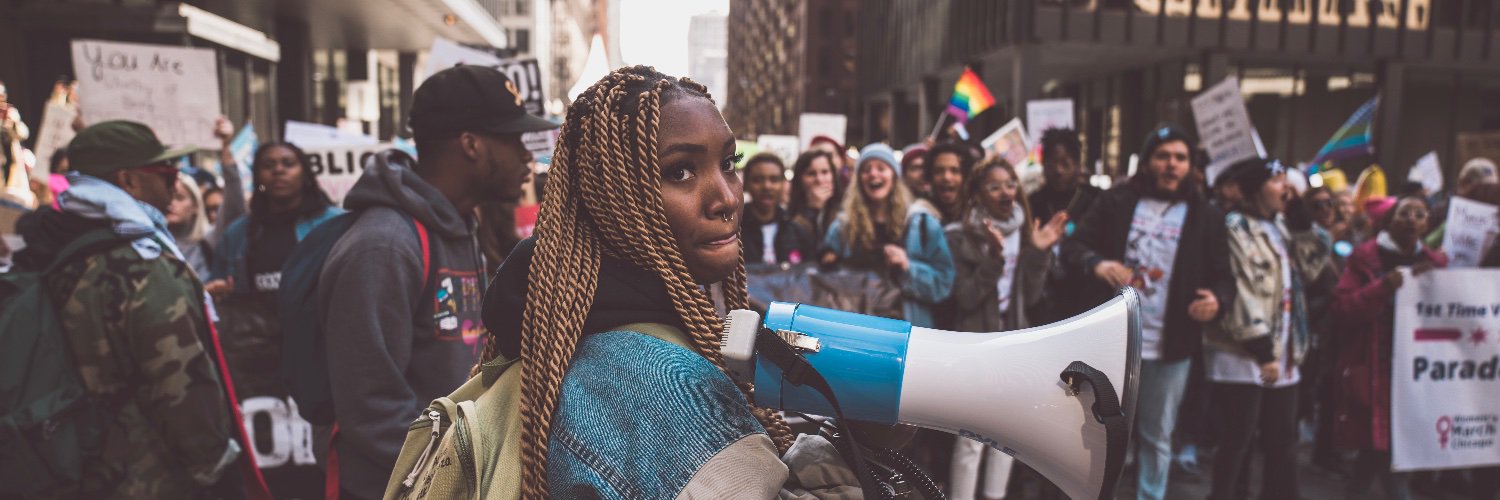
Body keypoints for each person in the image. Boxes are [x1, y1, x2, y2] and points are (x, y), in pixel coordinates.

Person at [478, 65, 867, 497]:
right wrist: (864, 444)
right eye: (681, 171)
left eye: (728, 163)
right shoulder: (662, 382)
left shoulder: (571, 330)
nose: (727, 198)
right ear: (615, 195)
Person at [317, 64, 557, 500]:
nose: (527, 155)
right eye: (513, 140)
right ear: (471, 145)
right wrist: (451, 477)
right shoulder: (383, 247)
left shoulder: (463, 225)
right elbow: (370, 411)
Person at [12, 121, 247, 498]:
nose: (176, 183)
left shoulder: (46, 250)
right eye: (166, 173)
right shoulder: (144, 266)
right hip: (146, 475)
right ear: (128, 181)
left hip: (63, 465)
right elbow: (181, 383)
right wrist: (215, 466)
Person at [1060, 126, 1233, 500]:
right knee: (1098, 432)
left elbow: (1225, 278)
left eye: (1180, 158)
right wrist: (1096, 263)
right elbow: (1074, 245)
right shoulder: (1117, 201)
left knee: (1157, 435)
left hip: (1171, 348)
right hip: (1114, 342)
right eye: (1163, 156)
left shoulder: (1206, 215)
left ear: (1190, 166)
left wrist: (1217, 301)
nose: (1171, 165)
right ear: (1149, 160)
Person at [1205, 158, 1330, 500]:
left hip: (1284, 352)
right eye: (1276, 180)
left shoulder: (1281, 226)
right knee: (1237, 443)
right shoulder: (1236, 227)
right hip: (1246, 354)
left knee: (1282, 443)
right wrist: (1262, 350)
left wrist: (1302, 221)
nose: (1285, 187)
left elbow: (1314, 265)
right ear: (1255, 188)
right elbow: (1241, 293)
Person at [943, 157, 1067, 500]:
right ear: (978, 193)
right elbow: (965, 298)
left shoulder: (1026, 231)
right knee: (970, 439)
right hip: (975, 346)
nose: (1005, 192)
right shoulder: (958, 236)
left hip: (1013, 345)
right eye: (994, 186)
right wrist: (993, 261)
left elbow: (1031, 295)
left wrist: (1039, 253)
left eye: (1010, 184)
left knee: (1006, 438)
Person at [1331, 195, 1447, 500]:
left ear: (1427, 225)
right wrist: (1382, 288)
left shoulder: (1435, 263)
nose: (1412, 220)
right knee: (1388, 448)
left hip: (1414, 372)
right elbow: (1344, 308)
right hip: (1374, 367)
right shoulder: (1365, 258)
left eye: (1420, 215)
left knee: (1377, 449)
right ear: (1389, 220)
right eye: (1404, 213)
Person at [823, 143, 955, 327]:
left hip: (905, 334)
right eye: (866, 169)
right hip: (855, 331)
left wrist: (908, 267)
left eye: (881, 168)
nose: (873, 174)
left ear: (894, 176)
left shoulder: (922, 223)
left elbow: (944, 284)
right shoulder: (842, 228)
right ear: (859, 179)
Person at [208, 136, 341, 302]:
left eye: (288, 164)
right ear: (258, 179)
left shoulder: (336, 224)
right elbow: (214, 288)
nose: (278, 170)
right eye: (268, 166)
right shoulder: (236, 234)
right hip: (255, 326)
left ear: (304, 175)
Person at [1031, 128, 1103, 324]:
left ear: (1079, 165)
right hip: (1044, 305)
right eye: (1052, 164)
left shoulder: (1096, 200)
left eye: (1066, 164)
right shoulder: (1032, 203)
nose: (1058, 171)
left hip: (1086, 302)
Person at [742, 152, 814, 264]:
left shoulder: (798, 230)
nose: (767, 186)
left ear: (783, 184)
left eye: (774, 179)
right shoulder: (732, 231)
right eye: (758, 180)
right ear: (746, 184)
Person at [787, 149, 841, 259]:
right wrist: (812, 211)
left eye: (825, 172)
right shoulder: (789, 216)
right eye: (811, 174)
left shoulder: (844, 211)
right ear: (800, 180)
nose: (819, 179)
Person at [167, 173, 214, 279]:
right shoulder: (153, 244)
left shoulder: (208, 241)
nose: (171, 203)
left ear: (195, 206)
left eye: (179, 198)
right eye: (169, 196)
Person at [924, 142, 975, 223]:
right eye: (939, 171)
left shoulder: (977, 217)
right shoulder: (922, 217)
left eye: (955, 171)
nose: (946, 177)